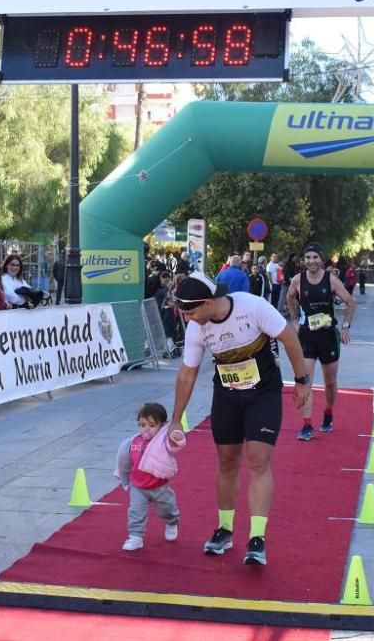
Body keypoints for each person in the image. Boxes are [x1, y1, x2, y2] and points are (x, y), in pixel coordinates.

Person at [170, 272, 311, 567]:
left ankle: (257, 537)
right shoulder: (198, 327)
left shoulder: (253, 307)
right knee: (227, 462)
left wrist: (302, 380)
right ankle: (225, 529)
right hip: (227, 395)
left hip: (264, 393)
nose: (189, 318)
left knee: (258, 460)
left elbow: (289, 339)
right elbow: (187, 373)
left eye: (192, 311)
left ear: (208, 302)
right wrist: (175, 420)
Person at [285, 243, 356, 440]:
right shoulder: (298, 280)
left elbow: (350, 302)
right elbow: (290, 298)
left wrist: (346, 326)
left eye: (315, 257)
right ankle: (307, 425)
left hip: (328, 336)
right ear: (304, 261)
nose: (311, 261)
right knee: (305, 380)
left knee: (330, 382)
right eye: (308, 258)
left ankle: (328, 413)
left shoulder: (331, 280)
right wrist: (294, 320)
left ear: (321, 260)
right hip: (307, 335)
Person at [115, 402, 186, 551]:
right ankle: (136, 537)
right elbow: (124, 462)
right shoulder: (133, 442)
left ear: (162, 426)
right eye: (142, 425)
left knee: (167, 509)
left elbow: (175, 446)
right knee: (135, 511)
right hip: (138, 486)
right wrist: (125, 481)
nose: (146, 429)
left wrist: (176, 437)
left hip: (159, 485)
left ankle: (172, 522)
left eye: (152, 425)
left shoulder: (163, 441)